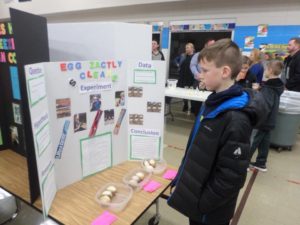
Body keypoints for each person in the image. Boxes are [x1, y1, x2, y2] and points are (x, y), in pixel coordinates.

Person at [168, 39, 266, 225]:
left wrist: (203, 204)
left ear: (225, 72)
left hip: (210, 211)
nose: (200, 75)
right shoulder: (212, 103)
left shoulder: (236, 119)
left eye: (205, 71)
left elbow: (231, 177)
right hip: (197, 198)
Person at [249, 60, 284, 172]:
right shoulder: (277, 86)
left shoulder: (269, 88)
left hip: (263, 120)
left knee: (253, 140)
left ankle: (244, 162)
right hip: (270, 120)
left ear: (270, 70)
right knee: (264, 142)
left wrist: (257, 117)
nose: (264, 72)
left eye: (266, 69)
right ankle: (261, 163)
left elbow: (266, 105)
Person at [189, 39, 216, 115]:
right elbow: (192, 65)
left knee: (209, 98)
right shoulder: (198, 54)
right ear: (206, 46)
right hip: (198, 80)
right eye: (211, 45)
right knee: (196, 100)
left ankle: (206, 114)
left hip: (210, 81)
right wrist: (197, 74)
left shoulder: (217, 56)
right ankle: (196, 114)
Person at [177, 43, 195, 112]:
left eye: (187, 47)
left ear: (192, 48)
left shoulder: (195, 57)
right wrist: (177, 64)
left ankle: (193, 107)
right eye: (186, 48)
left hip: (191, 77)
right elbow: (175, 60)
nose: (186, 49)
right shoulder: (183, 55)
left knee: (192, 92)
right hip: (182, 76)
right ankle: (185, 105)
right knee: (183, 92)